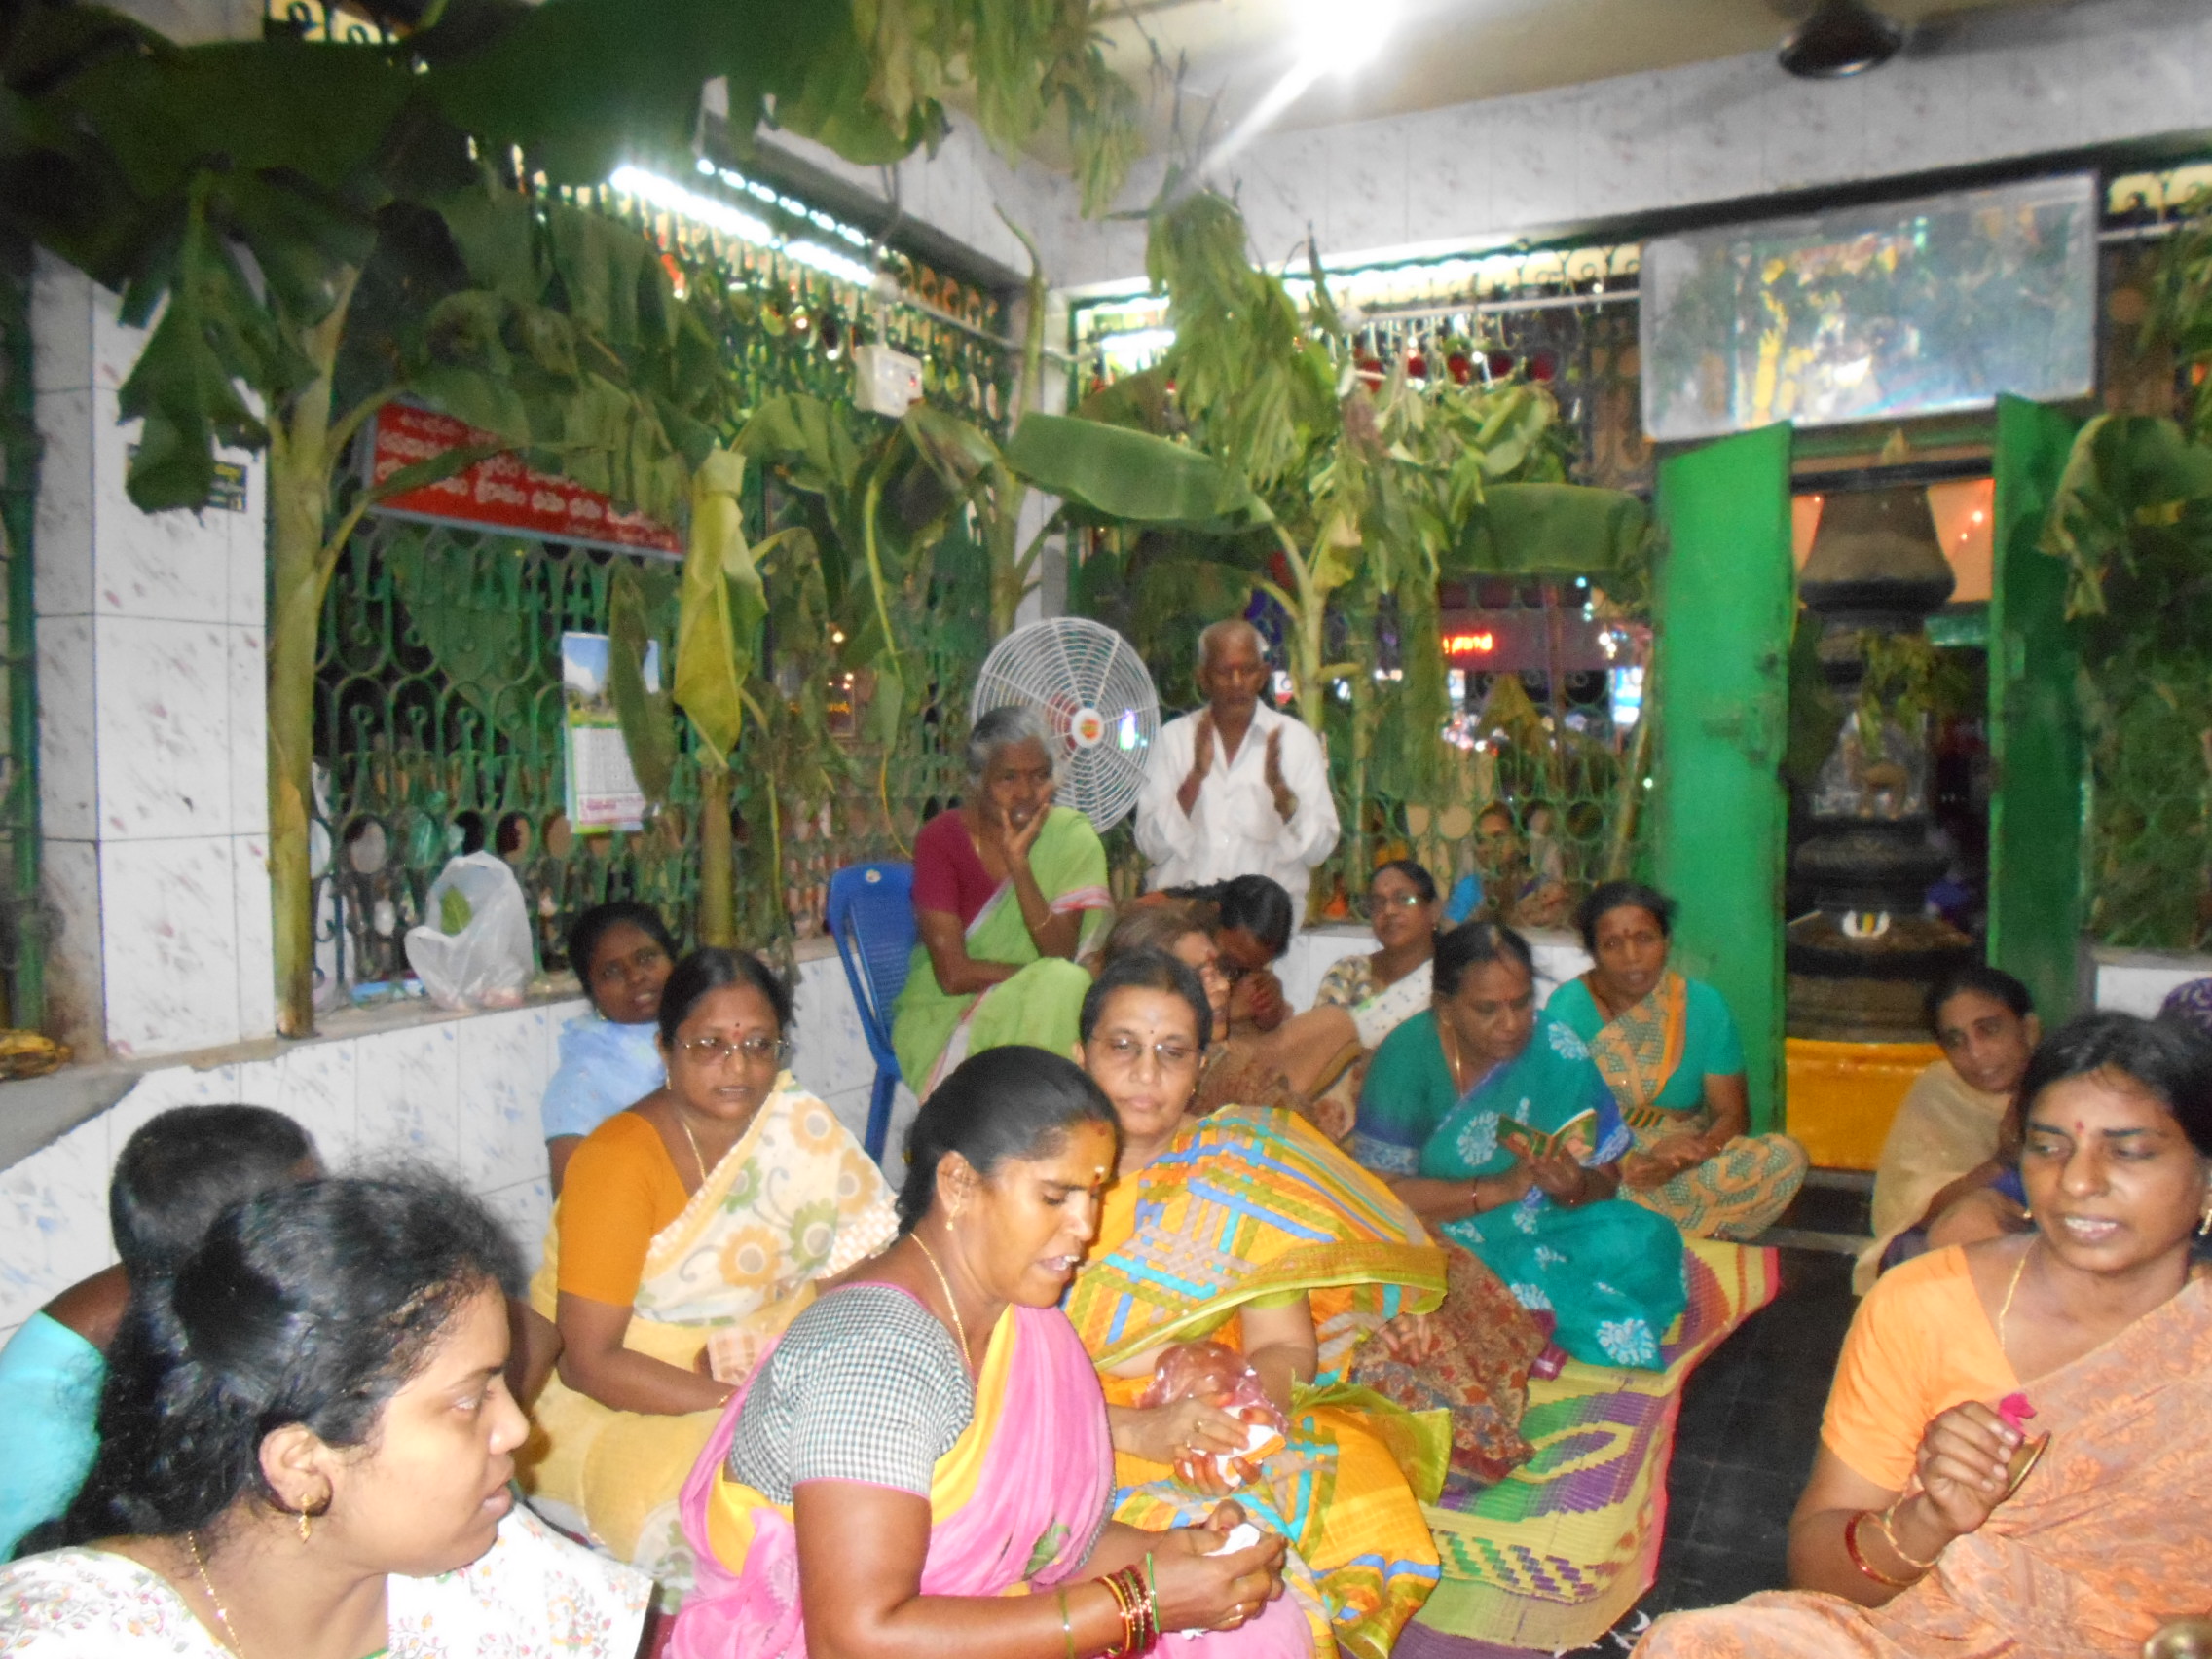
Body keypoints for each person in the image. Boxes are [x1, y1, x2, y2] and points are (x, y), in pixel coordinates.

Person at [668, 1044, 1305, 1659]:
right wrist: (1138, 1603)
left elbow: (1043, 1547)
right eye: (1055, 1197)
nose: (1086, 1227)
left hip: (963, 1618)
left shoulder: (1025, 1324)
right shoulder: (872, 1355)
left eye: (1094, 1194)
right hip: (813, 1643)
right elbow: (854, 1640)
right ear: (958, 1184)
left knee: (1257, 1626)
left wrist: (1181, 1563)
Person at [1634, 1012, 2212, 1659]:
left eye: (2129, 1152)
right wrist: (1925, 1520)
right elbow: (1819, 1574)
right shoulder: (1926, 1305)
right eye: (2049, 1148)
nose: (2077, 1182)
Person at [1, 1173, 647, 1656]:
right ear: (302, 1466)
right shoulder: (76, 1640)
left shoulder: (507, 1574)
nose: (516, 1429)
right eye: (467, 1400)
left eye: (498, 1384)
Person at [1067, 950, 1450, 1659]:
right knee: (1202, 1552)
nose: (1146, 1073)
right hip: (1072, 1427)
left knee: (1345, 1494)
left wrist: (1241, 1413)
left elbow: (1282, 1344)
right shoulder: (1034, 1176)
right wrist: (1139, 1428)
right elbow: (993, 1369)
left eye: (1172, 1052)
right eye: (1122, 1046)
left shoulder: (1238, 1169)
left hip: (1220, 1405)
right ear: (1079, 1055)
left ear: (1200, 1066)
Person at [524, 947, 899, 1584]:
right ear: (665, 1049)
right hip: (622, 1406)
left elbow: (861, 1275)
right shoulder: (617, 1161)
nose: (739, 1066)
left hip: (769, 1371)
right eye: (709, 1045)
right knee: (758, 1508)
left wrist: (825, 1373)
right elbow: (588, 1362)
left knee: (892, 1443)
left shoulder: (797, 1124)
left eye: (759, 1044)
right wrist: (748, 1406)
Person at [1352, 921, 1687, 1370]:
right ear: (1446, 1009)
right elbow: (1378, 1197)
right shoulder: (1406, 1058)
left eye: (1522, 1002)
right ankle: (1528, 1323)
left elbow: (1605, 1181)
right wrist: (1497, 1190)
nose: (1510, 1024)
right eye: (1487, 1009)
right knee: (1467, 1287)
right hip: (1442, 1237)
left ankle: (1536, 1325)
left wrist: (1571, 1186)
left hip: (1545, 1223)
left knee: (1650, 1239)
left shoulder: (1557, 1049)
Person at [0, 1106, 318, 1558]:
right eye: (312, 1212)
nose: (330, 1230)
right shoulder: (56, 1398)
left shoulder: (180, 1284)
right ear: (238, 1246)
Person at [1546, 881, 1808, 1242]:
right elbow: (1560, 1112)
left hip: (1683, 1152)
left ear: (1667, 941)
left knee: (1785, 1156)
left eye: (1645, 939)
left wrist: (1683, 1157)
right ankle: (1693, 1225)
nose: (1631, 956)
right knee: (1570, 1181)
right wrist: (1626, 1158)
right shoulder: (1567, 1008)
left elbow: (1732, 1114)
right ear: (1593, 952)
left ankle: (1641, 1224)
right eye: (1612, 944)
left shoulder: (1704, 1006)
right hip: (1606, 1160)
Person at [893, 706, 1113, 1096]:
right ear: (977, 780)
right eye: (1008, 777)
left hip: (1050, 999)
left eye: (1040, 776)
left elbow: (1060, 953)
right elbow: (953, 975)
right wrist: (1035, 981)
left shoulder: (1070, 838)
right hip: (947, 1015)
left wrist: (1020, 866)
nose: (1025, 793)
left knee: (1068, 985)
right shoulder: (941, 840)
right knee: (1065, 984)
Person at [1136, 619, 1340, 924]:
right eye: (1224, 671)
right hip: (1184, 924)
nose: (1236, 682)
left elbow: (1319, 850)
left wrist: (1284, 800)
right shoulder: (1173, 740)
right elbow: (1151, 846)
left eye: (1247, 670)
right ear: (1203, 678)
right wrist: (1194, 780)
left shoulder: (1296, 742)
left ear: (1263, 675)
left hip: (1264, 931)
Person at [1856, 966, 2040, 1294]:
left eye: (1989, 1030)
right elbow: (1917, 1212)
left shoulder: (2067, 1087)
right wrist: (2001, 1163)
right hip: (1940, 1243)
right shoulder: (1940, 1090)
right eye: (1956, 1041)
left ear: (2029, 1029)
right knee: (1971, 1225)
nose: (1976, 1053)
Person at [543, 900, 678, 1195]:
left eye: (646, 958)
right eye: (611, 971)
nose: (635, 976)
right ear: (591, 991)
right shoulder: (580, 1081)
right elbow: (573, 1203)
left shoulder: (703, 1039)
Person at [1315, 860, 1443, 1051]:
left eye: (1404, 899)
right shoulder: (1348, 972)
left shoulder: (1452, 978)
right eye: (1377, 903)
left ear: (1434, 910)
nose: (1389, 911)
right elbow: (1319, 1045)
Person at [1168, 875, 1297, 1035]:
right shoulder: (1169, 931)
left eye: (1251, 969)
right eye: (1229, 962)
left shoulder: (1242, 952)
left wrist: (1270, 1008)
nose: (1227, 981)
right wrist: (1230, 1010)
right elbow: (1161, 1021)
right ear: (1215, 913)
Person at [1443, 804, 1568, 931]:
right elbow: (1449, 933)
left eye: (1498, 837)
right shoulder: (1470, 888)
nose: (1488, 846)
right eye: (1481, 840)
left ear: (1522, 843)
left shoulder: (1544, 890)